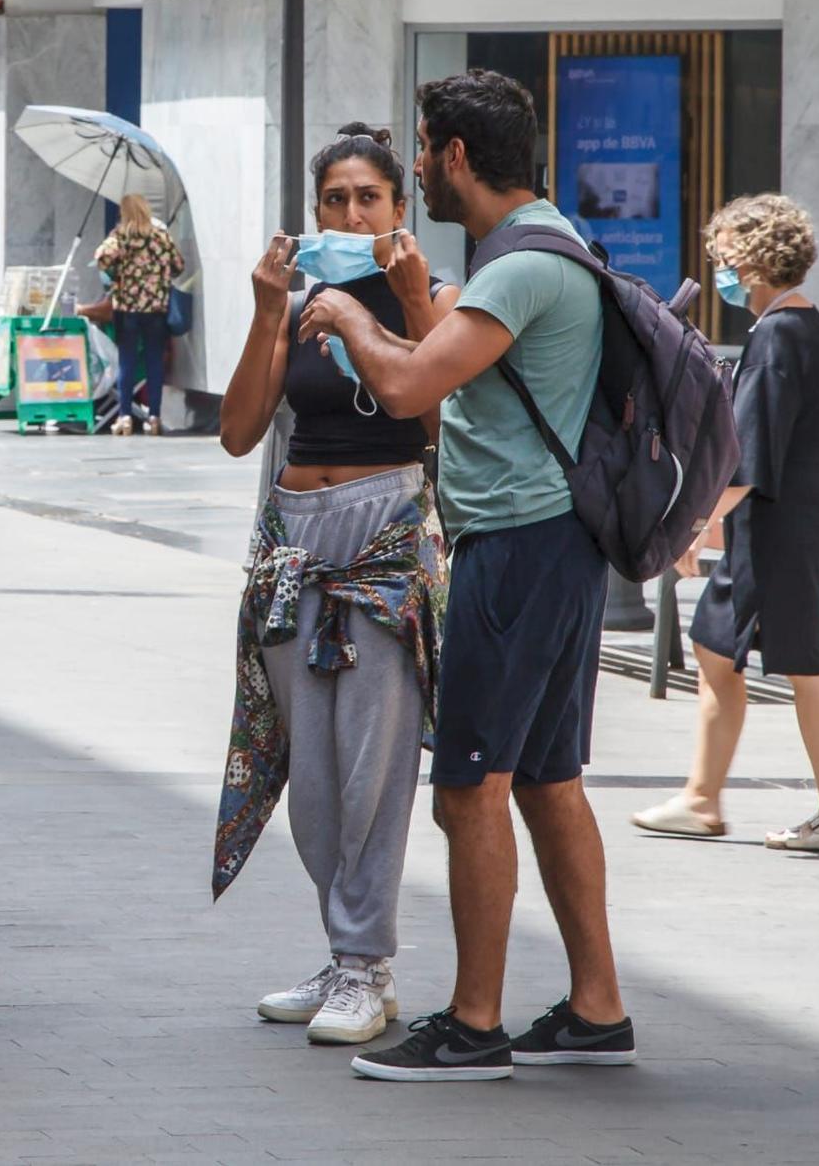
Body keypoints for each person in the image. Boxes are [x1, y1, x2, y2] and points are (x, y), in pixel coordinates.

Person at [299, 69, 632, 1082]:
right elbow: (452, 379)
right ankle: (595, 1008)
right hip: (550, 547)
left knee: (466, 791)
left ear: (449, 156)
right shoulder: (542, 247)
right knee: (543, 780)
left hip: (520, 548)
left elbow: (401, 382)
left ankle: (473, 1022)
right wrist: (398, 306)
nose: (413, 178)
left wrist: (339, 317)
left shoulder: (516, 265)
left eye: (419, 151)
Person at [212, 124, 458, 1046]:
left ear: (400, 207)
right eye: (334, 200)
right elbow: (240, 430)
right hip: (293, 544)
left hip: (385, 537)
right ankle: (344, 951)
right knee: (309, 775)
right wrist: (266, 308)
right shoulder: (301, 297)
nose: (351, 214)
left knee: (372, 765)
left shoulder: (433, 296)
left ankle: (368, 962)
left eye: (369, 198)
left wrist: (401, 303)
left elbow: (439, 417)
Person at [632, 196, 819, 853]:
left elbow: (749, 457)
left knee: (804, 662)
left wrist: (690, 527)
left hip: (780, 528)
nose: (721, 270)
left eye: (727, 258)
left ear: (758, 260)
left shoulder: (779, 335)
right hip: (790, 521)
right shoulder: (804, 328)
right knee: (714, 645)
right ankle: (702, 798)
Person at [94, 194, 184, 435]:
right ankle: (153, 416)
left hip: (127, 308)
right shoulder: (160, 234)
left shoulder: (121, 234)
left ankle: (124, 417)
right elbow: (178, 265)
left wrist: (116, 274)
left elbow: (101, 258)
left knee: (127, 361)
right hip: (156, 309)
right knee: (155, 361)